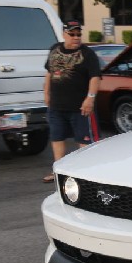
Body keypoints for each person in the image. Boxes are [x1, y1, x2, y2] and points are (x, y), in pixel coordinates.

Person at [42, 20, 101, 183]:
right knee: (57, 137)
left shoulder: (88, 54)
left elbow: (95, 78)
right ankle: (58, 172)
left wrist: (90, 98)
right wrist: (46, 92)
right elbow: (49, 72)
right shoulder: (54, 50)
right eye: (72, 34)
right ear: (64, 34)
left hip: (81, 108)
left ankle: (88, 174)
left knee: (85, 141)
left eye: (79, 34)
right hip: (57, 106)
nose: (76, 37)